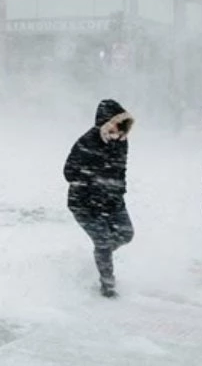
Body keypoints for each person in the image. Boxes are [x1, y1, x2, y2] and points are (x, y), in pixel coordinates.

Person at [64, 99, 135, 298]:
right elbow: (69, 172)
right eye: (116, 125)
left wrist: (117, 193)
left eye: (124, 126)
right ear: (105, 122)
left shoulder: (121, 142)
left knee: (126, 234)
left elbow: (121, 171)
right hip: (83, 203)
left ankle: (102, 254)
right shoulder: (87, 142)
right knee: (103, 240)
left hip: (112, 200)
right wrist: (93, 182)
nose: (120, 131)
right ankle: (108, 286)